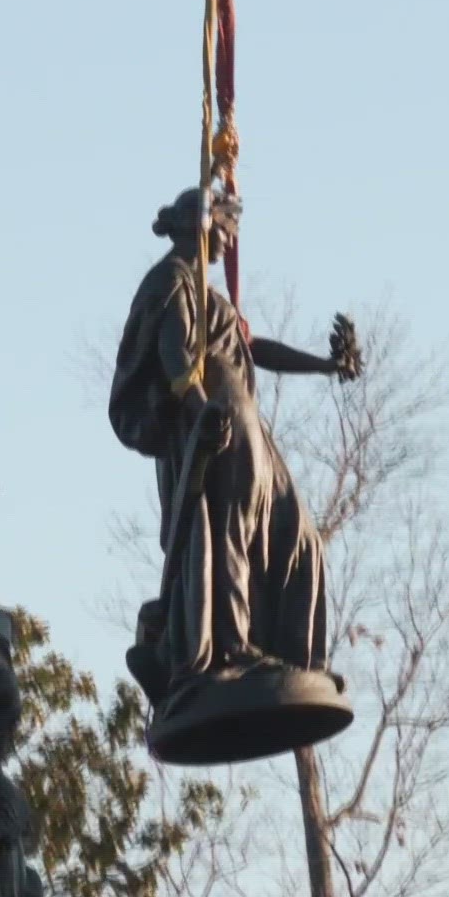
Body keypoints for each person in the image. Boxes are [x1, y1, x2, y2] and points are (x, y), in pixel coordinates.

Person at [108, 187, 362, 711]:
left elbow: (251, 347)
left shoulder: (209, 293)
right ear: (196, 225)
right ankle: (230, 648)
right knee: (227, 528)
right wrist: (201, 410)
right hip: (217, 417)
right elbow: (175, 354)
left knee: (300, 536)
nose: (229, 237)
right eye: (222, 225)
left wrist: (326, 365)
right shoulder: (171, 280)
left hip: (244, 417)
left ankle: (295, 656)